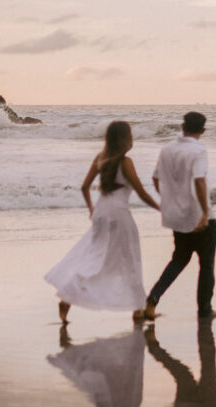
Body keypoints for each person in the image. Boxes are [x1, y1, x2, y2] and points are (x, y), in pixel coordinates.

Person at [45, 120, 160, 323]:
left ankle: (67, 297)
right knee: (130, 257)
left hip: (101, 210)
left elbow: (84, 187)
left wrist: (91, 209)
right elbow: (140, 192)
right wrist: (160, 208)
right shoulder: (126, 162)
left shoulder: (101, 158)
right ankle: (138, 308)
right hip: (118, 212)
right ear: (125, 139)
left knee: (94, 256)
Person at [143, 111, 216, 320]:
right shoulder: (198, 150)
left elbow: (155, 178)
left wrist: (171, 201)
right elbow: (199, 180)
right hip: (198, 216)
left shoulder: (167, 149)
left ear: (182, 126)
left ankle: (153, 297)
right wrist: (204, 212)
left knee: (178, 259)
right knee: (206, 265)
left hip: (178, 217)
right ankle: (205, 310)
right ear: (203, 130)